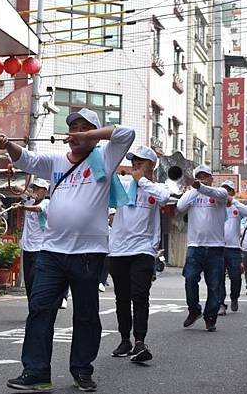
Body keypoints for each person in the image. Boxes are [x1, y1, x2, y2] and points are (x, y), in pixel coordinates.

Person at [0, 108, 135, 392]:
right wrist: (8, 145)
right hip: (51, 252)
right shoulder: (56, 161)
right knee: (40, 310)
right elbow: (28, 160)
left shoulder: (105, 159)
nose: (76, 133)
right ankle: (36, 372)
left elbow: (126, 133)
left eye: (84, 128)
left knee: (85, 314)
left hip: (88, 253)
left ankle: (82, 370)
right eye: (73, 128)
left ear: (94, 135)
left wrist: (89, 136)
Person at [108, 146, 170, 362]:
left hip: (143, 249)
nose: (135, 165)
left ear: (151, 165)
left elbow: (164, 197)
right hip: (118, 250)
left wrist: (141, 180)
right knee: (121, 297)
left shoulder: (156, 187)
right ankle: (124, 339)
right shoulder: (124, 185)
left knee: (140, 295)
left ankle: (140, 341)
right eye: (133, 161)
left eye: (140, 162)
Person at [176, 164, 228, 332]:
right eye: (199, 176)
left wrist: (201, 187)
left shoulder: (221, 193)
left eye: (206, 176)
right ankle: (194, 309)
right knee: (190, 279)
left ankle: (210, 316)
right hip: (195, 246)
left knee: (214, 285)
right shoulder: (191, 194)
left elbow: (217, 193)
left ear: (212, 179)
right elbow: (179, 206)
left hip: (215, 248)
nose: (202, 178)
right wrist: (195, 188)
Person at [218, 181, 247, 315]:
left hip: (233, 248)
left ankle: (234, 298)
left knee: (235, 277)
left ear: (232, 192)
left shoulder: (237, 207)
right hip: (218, 247)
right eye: (223, 190)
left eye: (228, 190)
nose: (226, 192)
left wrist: (234, 202)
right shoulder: (216, 205)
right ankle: (221, 303)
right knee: (218, 277)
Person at [18, 178, 50, 306]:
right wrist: (30, 194)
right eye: (34, 188)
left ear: (45, 191)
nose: (36, 190)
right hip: (27, 247)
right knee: (29, 281)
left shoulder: (46, 202)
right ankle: (32, 307)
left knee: (36, 279)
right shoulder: (29, 200)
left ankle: (39, 306)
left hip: (40, 248)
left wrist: (22, 207)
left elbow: (38, 209)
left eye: (38, 188)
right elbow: (16, 187)